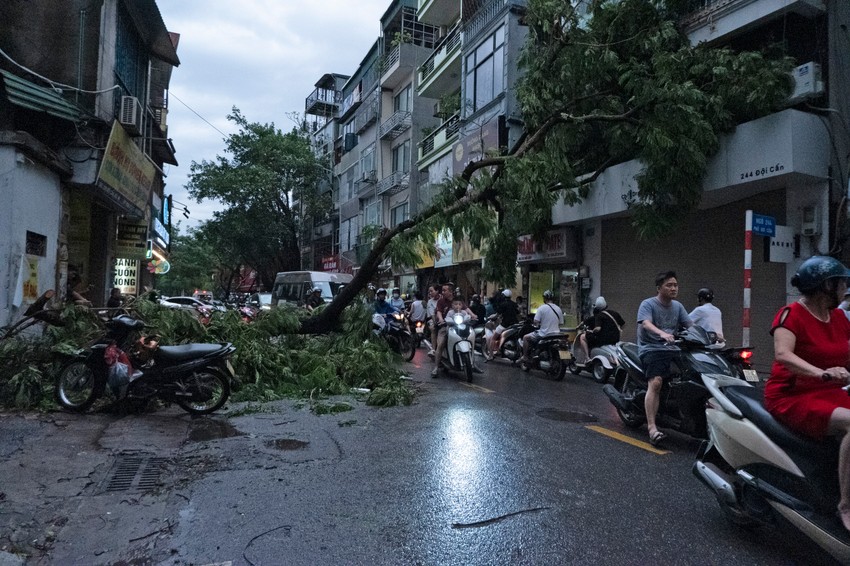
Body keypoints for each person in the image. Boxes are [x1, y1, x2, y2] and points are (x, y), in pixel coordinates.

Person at [764, 255, 850, 533]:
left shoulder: (838, 317)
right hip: (792, 395)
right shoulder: (791, 314)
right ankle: (845, 506)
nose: (845, 289)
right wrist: (821, 373)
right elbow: (783, 354)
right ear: (827, 286)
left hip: (829, 392)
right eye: (841, 283)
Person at [637, 271, 692, 446]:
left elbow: (691, 325)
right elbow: (646, 323)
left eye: (675, 285)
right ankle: (652, 428)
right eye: (669, 285)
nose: (673, 288)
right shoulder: (648, 304)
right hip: (652, 348)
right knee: (656, 382)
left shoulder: (678, 306)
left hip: (673, 348)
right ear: (659, 288)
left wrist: (711, 335)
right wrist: (662, 333)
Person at [520, 290, 564, 363]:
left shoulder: (542, 308)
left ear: (545, 298)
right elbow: (561, 323)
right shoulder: (558, 308)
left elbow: (536, 321)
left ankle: (525, 357)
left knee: (525, 337)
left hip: (544, 334)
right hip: (556, 334)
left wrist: (538, 324)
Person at [579, 296, 625, 361]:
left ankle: (587, 358)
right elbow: (623, 325)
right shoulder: (614, 313)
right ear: (606, 305)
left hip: (603, 340)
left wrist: (592, 331)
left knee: (582, 337)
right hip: (615, 339)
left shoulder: (599, 316)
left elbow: (598, 329)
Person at [486, 289, 519, 360]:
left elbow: (497, 315)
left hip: (505, 324)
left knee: (493, 338)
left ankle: (491, 355)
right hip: (515, 324)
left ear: (503, 296)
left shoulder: (503, 304)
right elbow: (518, 313)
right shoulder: (514, 304)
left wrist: (491, 317)